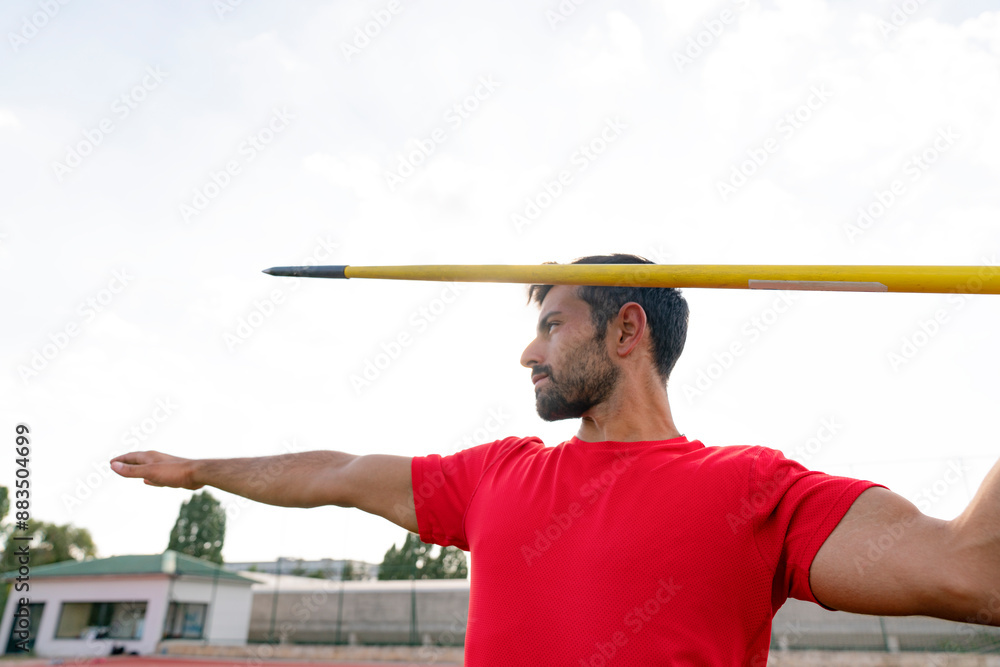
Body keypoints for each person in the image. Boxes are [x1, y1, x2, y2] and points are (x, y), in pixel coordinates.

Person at [112, 253, 1000, 665]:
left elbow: (973, 574)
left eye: (549, 324)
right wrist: (200, 469)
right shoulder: (495, 474)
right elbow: (337, 473)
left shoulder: (753, 488)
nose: (528, 354)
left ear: (626, 328)